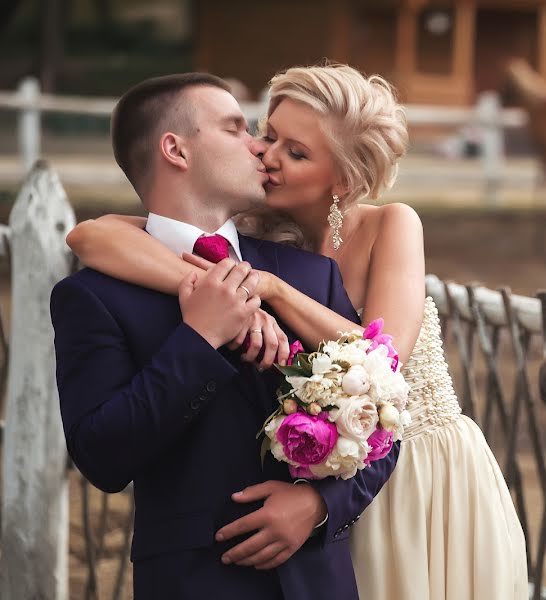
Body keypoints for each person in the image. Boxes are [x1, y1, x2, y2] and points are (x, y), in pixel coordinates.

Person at [66, 64, 529, 599]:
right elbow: (93, 234)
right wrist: (217, 302)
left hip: (417, 478)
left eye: (296, 152)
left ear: (344, 181)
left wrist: (272, 292)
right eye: (263, 134)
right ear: (176, 150)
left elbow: (383, 372)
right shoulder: (245, 240)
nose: (264, 153)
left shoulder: (363, 242)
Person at [51, 73, 399, 600]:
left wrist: (321, 504)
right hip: (194, 580)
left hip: (317, 578)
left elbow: (386, 411)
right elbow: (101, 457)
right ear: (176, 149)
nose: (259, 146)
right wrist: (198, 337)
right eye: (236, 128)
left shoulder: (308, 277)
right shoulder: (95, 296)